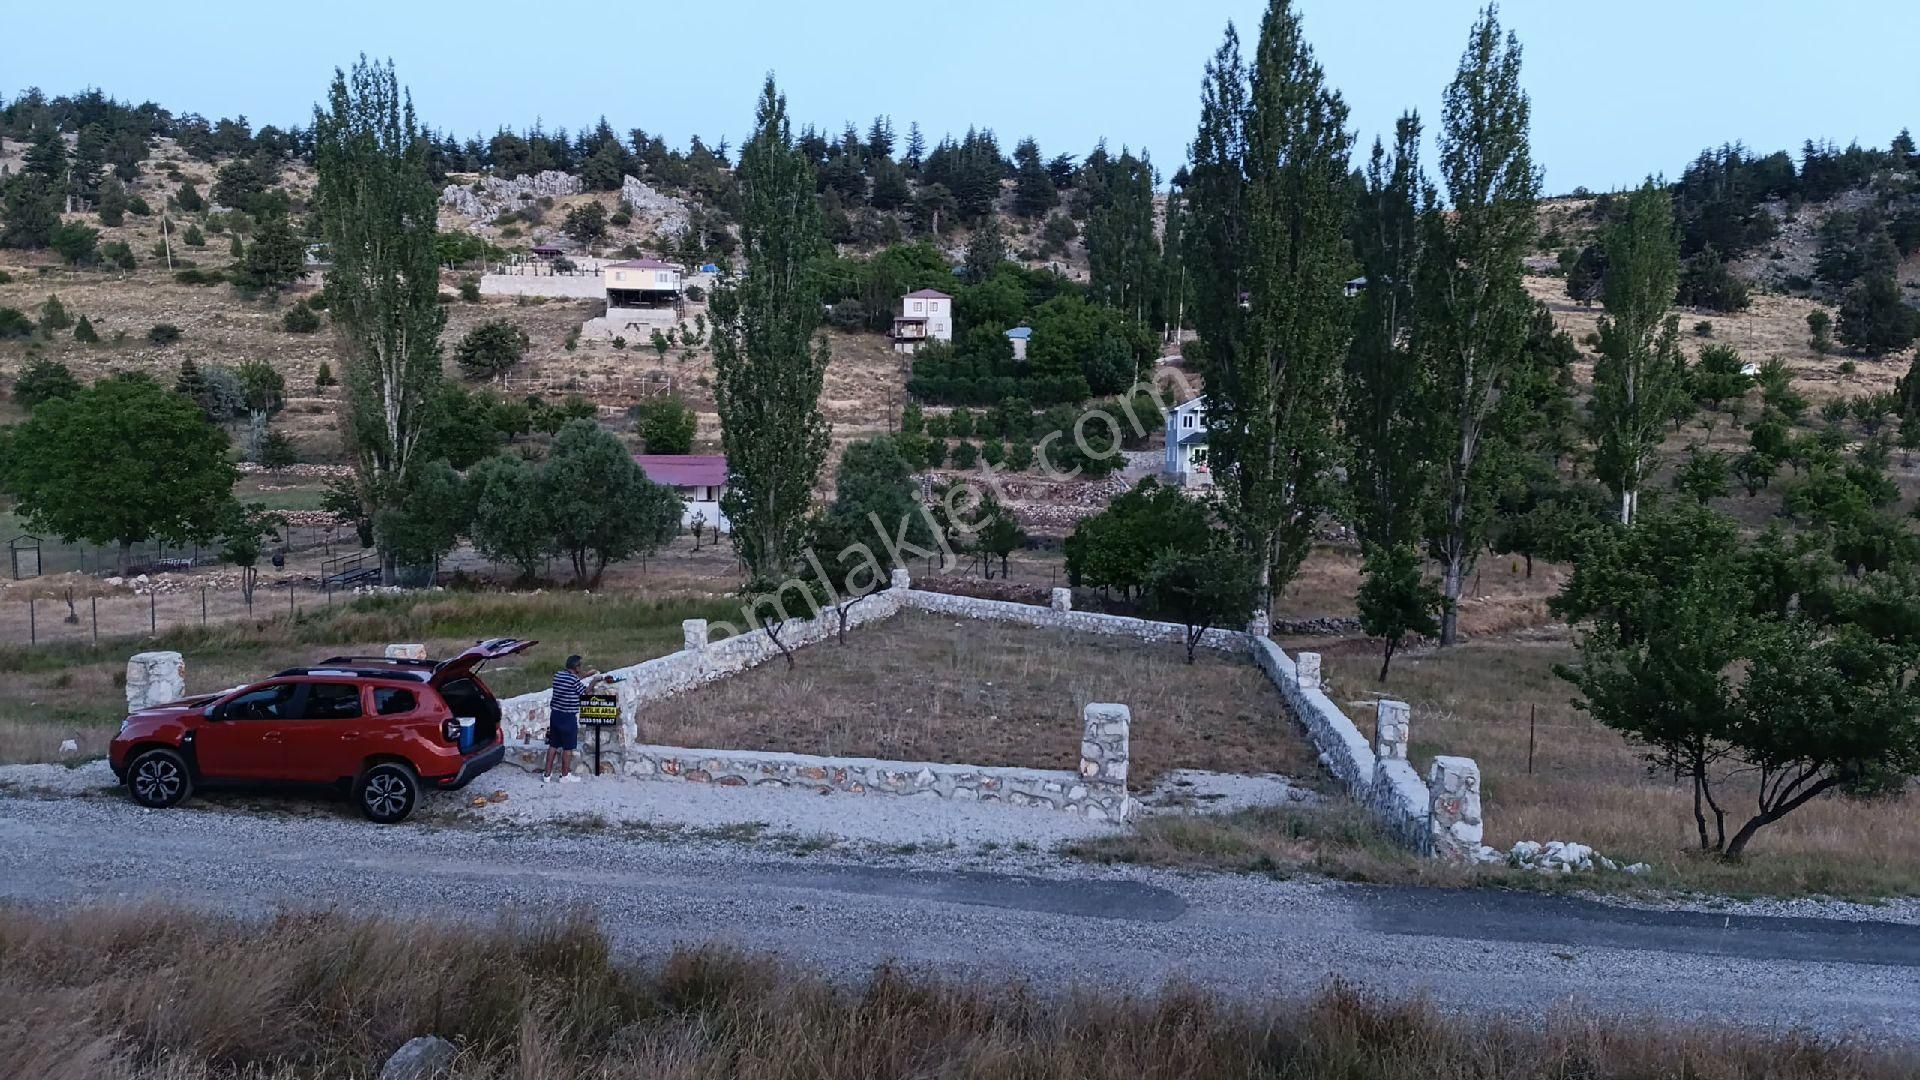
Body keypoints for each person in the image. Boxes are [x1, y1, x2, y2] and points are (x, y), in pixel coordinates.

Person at [543, 654, 597, 783]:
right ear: (576, 667)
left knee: (553, 745)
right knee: (568, 748)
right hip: (568, 717)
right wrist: (594, 681)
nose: (581, 668)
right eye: (580, 666)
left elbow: (573, 680)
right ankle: (565, 775)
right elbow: (585, 692)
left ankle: (547, 775)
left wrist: (585, 675)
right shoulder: (574, 680)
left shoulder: (558, 675)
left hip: (555, 715)